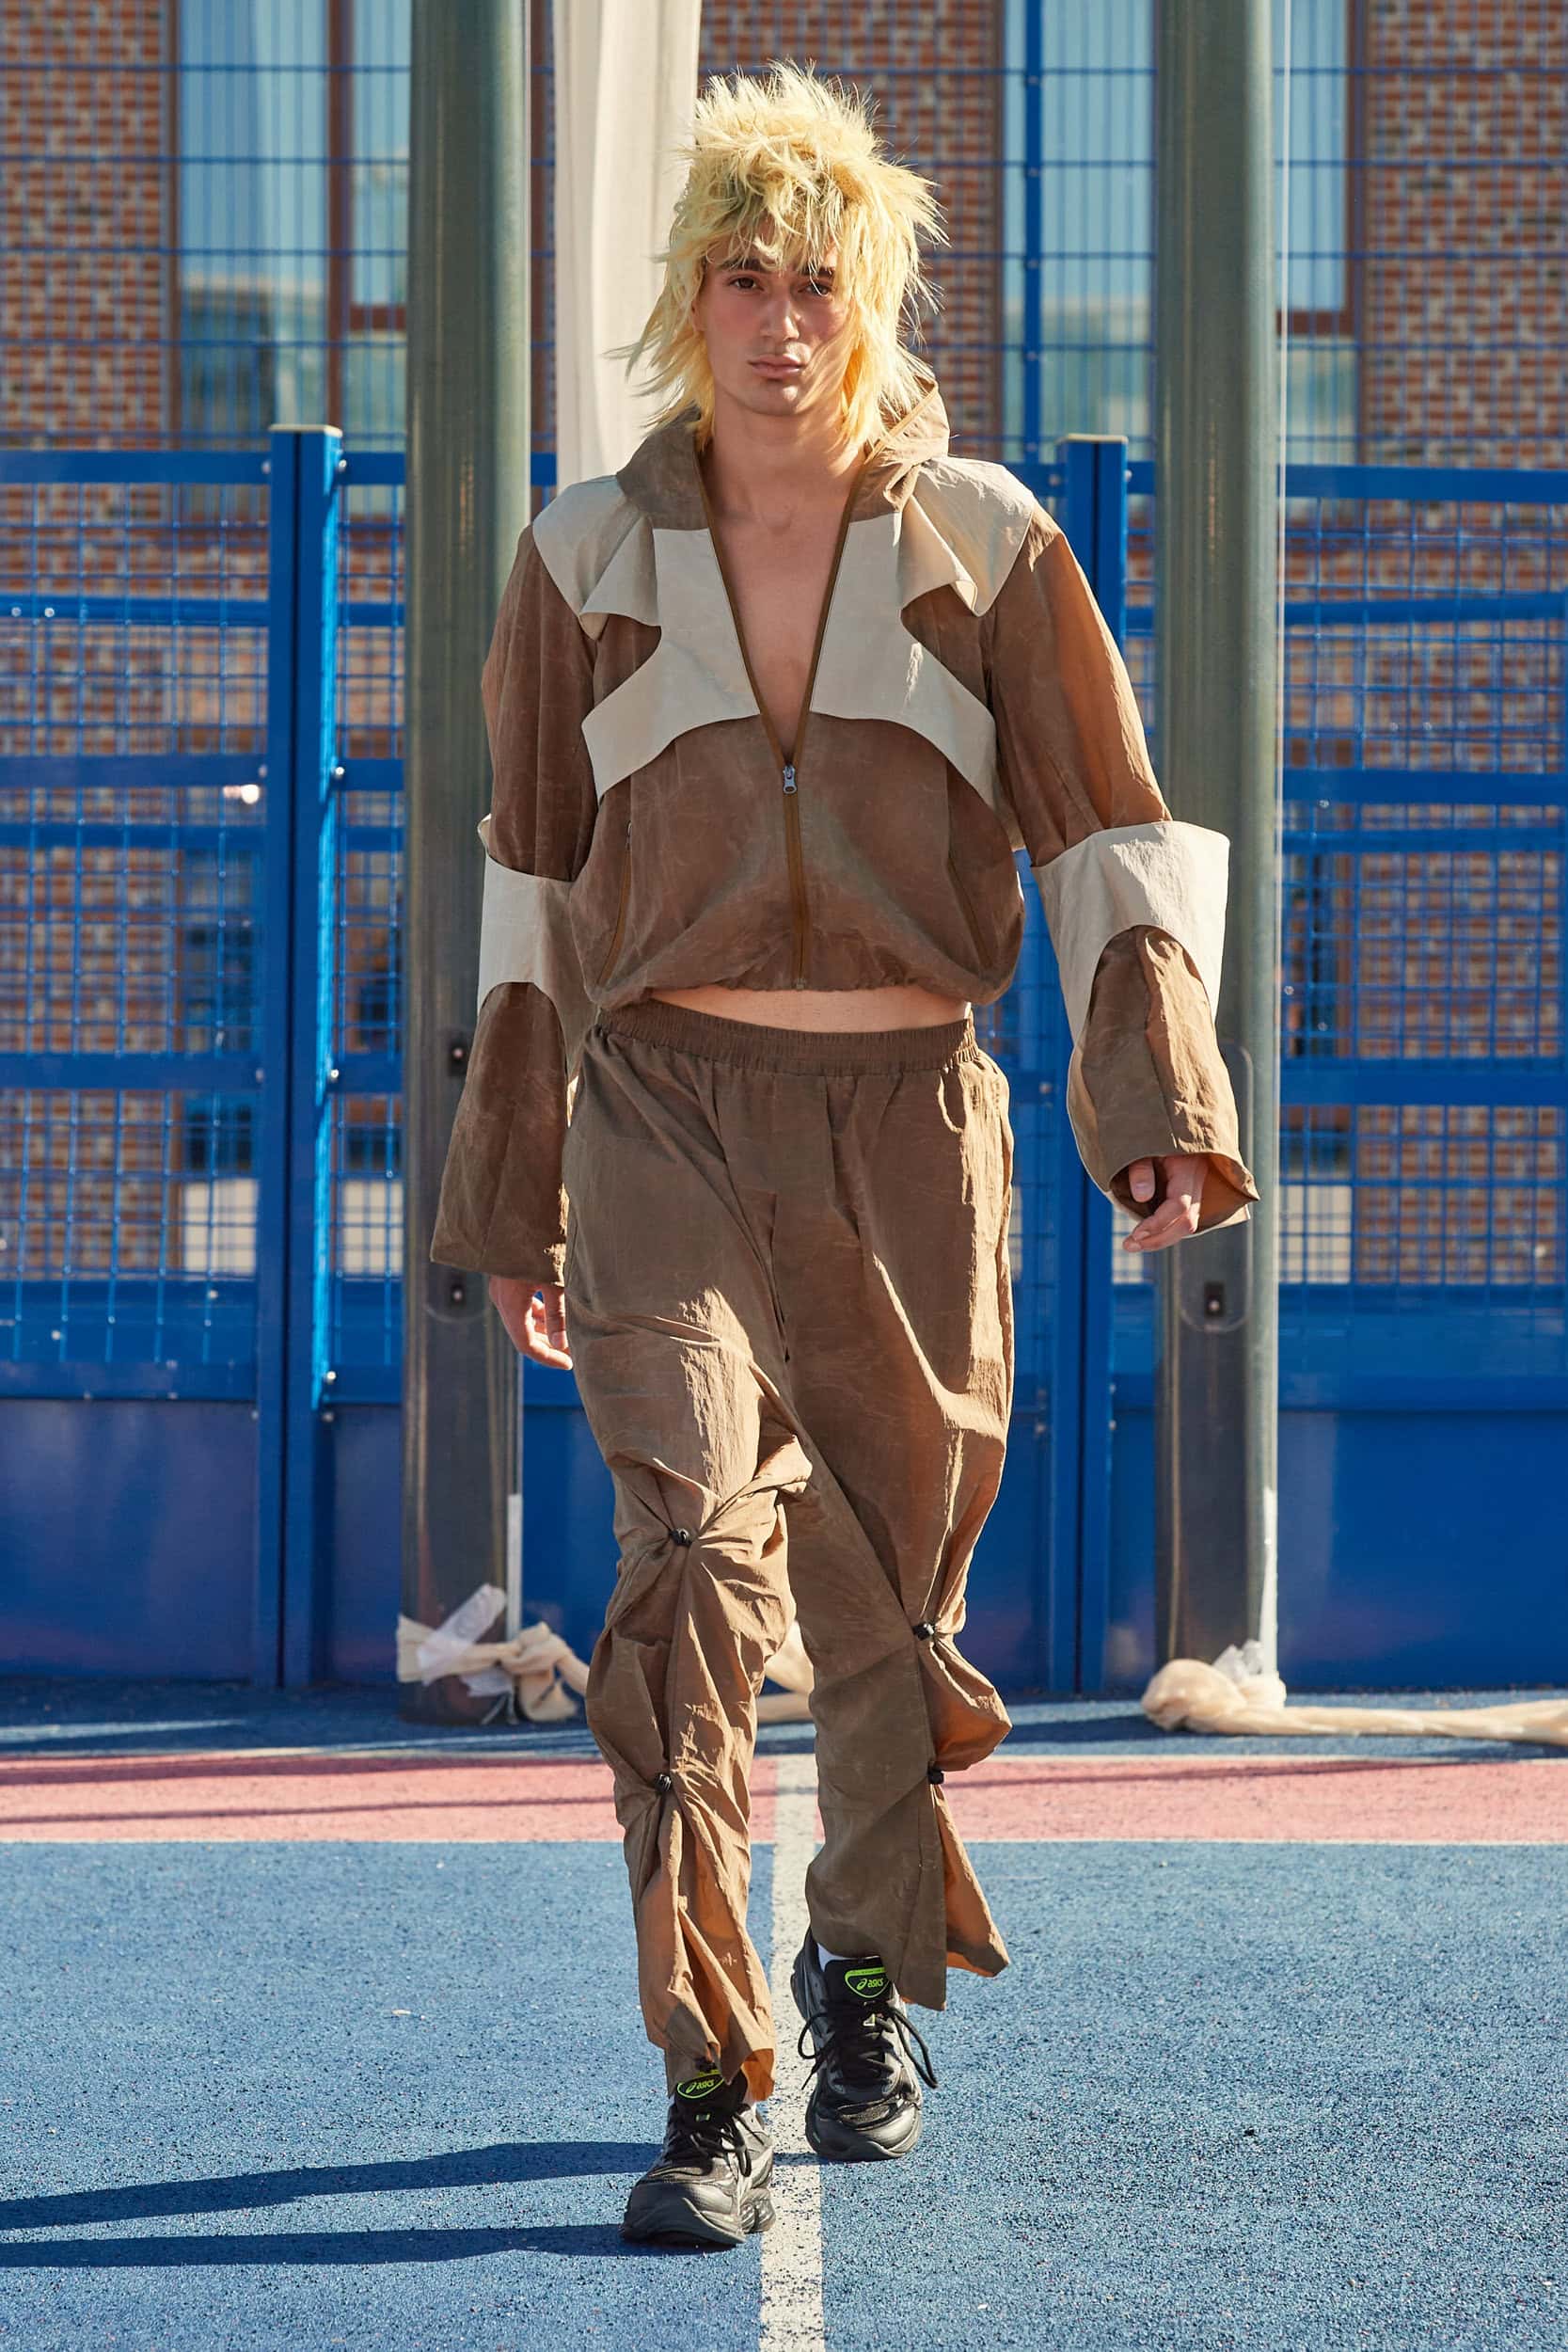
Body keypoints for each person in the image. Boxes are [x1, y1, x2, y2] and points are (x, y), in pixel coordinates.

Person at [430, 59, 1259, 2249]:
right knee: (692, 1577)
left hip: (915, 1126)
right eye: (741, 279)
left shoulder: (989, 539)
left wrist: (1156, 1108)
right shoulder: (582, 553)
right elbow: (529, 889)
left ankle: (865, 1979)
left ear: (870, 294)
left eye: (817, 282)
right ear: (686, 302)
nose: (781, 322)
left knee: (888, 1610)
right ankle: (711, 2072)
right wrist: (512, 1189)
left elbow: (1106, 833)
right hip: (661, 1117)